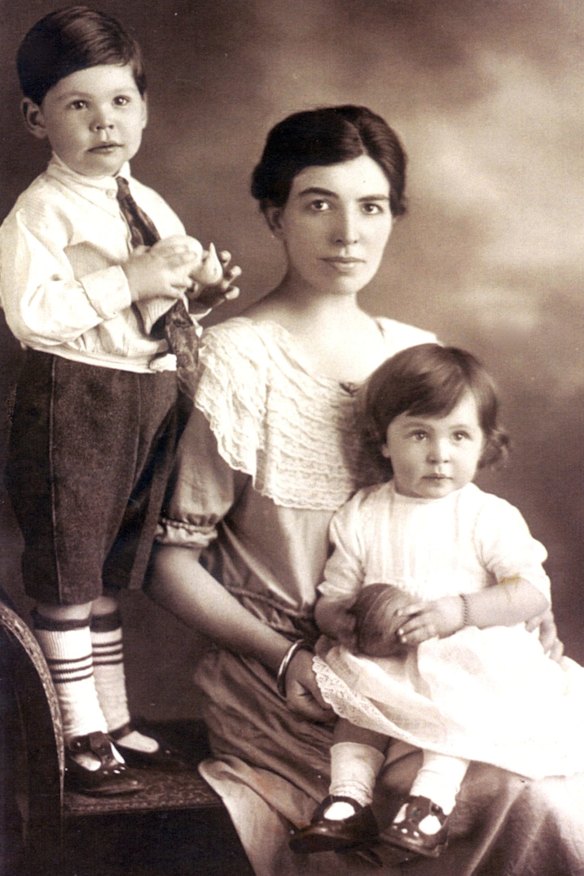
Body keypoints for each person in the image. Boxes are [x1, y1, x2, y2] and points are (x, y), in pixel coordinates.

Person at [149, 105, 584, 875]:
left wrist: (523, 621)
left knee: (558, 783)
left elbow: (462, 526)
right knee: (513, 802)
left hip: (439, 664)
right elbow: (168, 565)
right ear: (274, 214)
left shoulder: (416, 351)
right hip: (298, 687)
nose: (349, 233)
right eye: (319, 204)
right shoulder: (235, 361)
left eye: (372, 206)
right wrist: (290, 660)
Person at [0, 6, 239, 797]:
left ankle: (113, 716)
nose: (104, 121)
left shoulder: (148, 201)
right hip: (75, 398)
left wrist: (199, 294)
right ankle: (77, 734)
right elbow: (33, 316)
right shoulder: (40, 213)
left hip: (145, 394)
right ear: (36, 118)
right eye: (78, 104)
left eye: (120, 101)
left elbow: (155, 309)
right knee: (69, 572)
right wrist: (130, 279)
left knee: (106, 572)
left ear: (144, 111)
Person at [290, 343, 584, 860]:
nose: (440, 453)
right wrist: (342, 621)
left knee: (460, 707)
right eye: (419, 434)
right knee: (360, 702)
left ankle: (429, 805)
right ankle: (348, 800)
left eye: (459, 435)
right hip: (391, 654)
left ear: (484, 443)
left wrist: (459, 612)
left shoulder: (486, 515)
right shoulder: (363, 514)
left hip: (469, 653)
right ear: (383, 442)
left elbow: (530, 591)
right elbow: (333, 595)